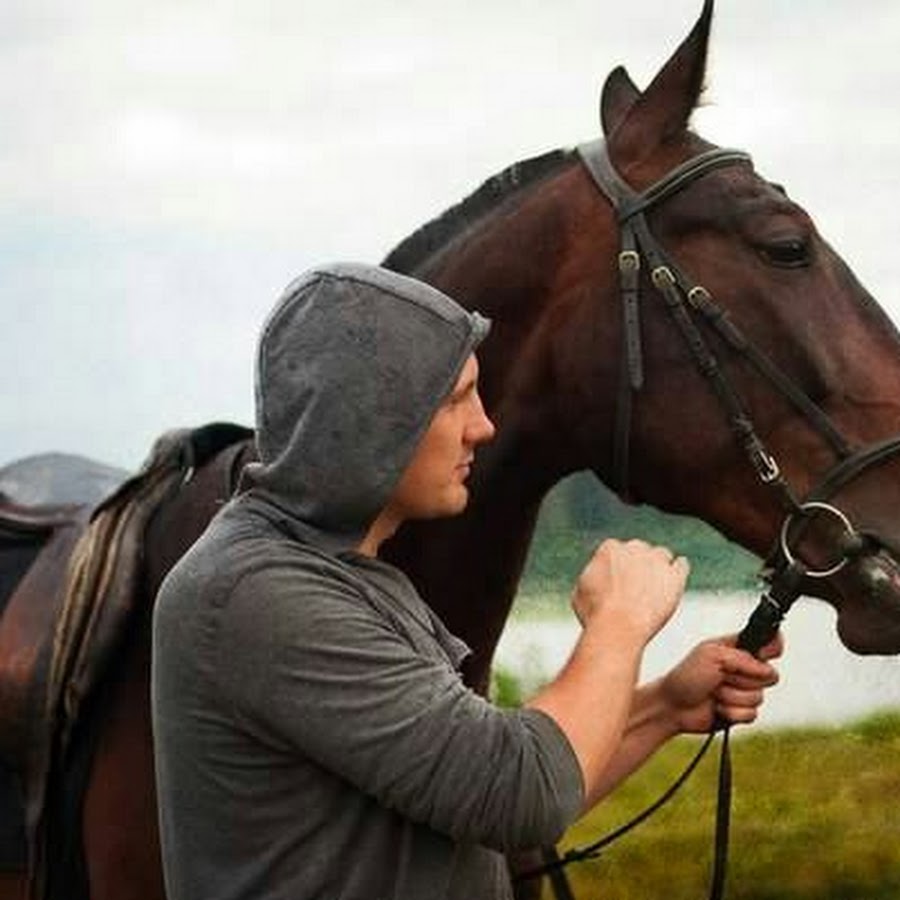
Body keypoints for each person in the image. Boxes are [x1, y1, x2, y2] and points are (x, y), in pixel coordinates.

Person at [151, 262, 781, 900]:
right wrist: (619, 623)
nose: (483, 426)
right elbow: (519, 793)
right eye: (456, 400)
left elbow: (482, 803)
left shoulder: (342, 576)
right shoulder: (255, 595)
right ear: (372, 418)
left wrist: (665, 706)